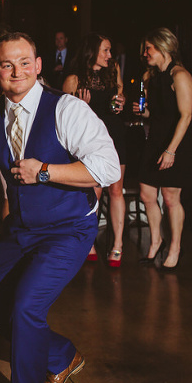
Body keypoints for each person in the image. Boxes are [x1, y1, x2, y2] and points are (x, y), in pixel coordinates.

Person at [0, 32, 119, 383]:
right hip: (21, 227)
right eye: (7, 65)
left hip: (68, 227)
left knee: (25, 309)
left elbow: (107, 167)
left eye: (24, 63)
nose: (17, 71)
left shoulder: (67, 108)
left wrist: (46, 171)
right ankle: (62, 355)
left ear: (38, 66)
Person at [62, 33, 127, 267]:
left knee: (116, 190)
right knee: (93, 193)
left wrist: (120, 104)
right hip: (90, 139)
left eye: (110, 50)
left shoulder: (113, 71)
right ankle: (88, 242)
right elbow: (63, 118)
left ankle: (117, 245)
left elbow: (119, 97)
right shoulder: (73, 79)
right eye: (105, 50)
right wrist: (82, 108)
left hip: (115, 134)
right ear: (92, 51)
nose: (110, 55)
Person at [134, 28, 192, 271]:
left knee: (170, 197)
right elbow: (157, 113)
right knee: (147, 194)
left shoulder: (180, 75)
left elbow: (186, 116)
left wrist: (171, 151)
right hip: (155, 139)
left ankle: (175, 247)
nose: (145, 53)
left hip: (176, 142)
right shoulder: (150, 77)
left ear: (163, 47)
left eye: (148, 48)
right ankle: (156, 241)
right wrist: (143, 112)